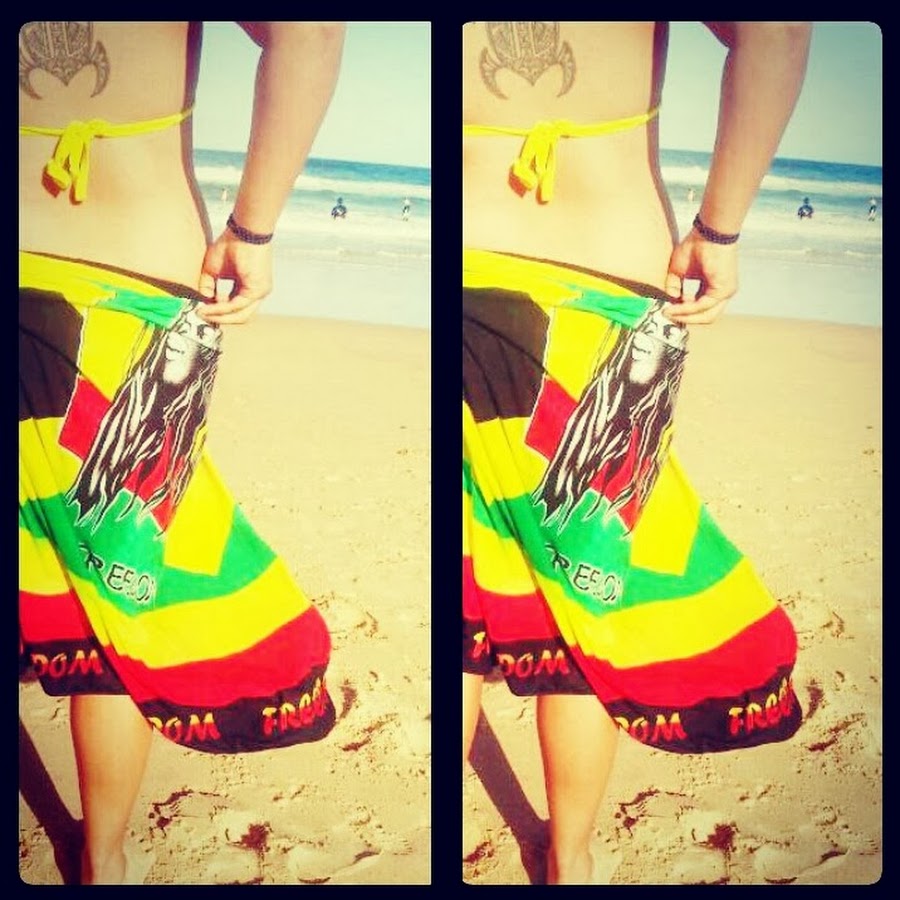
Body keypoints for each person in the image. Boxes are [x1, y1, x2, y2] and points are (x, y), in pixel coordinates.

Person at [463, 21, 812, 885]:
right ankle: (570, 857)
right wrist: (719, 233)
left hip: (461, 265)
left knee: (465, 584)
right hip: (606, 280)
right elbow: (774, 29)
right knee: (583, 576)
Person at [19, 21, 346, 885]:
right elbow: (308, 30)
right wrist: (253, 230)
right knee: (117, 575)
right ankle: (104, 857)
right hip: (129, 271)